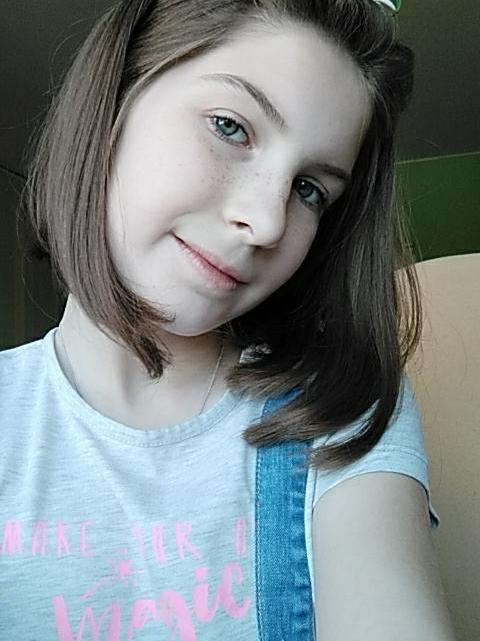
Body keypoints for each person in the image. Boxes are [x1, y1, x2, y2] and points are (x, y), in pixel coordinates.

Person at [0, 0, 457, 638]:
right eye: (230, 127)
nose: (268, 221)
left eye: (309, 190)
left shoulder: (336, 408)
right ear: (114, 101)